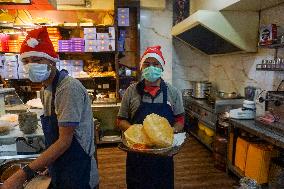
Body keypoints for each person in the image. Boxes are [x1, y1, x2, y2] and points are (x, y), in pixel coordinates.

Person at [1, 27, 99, 189]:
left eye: (38, 60)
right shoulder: (46, 90)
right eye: (26, 61)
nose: (31, 65)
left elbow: (64, 142)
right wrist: (47, 163)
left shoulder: (67, 88)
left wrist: (22, 174)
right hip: (61, 166)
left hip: (78, 170)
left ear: (52, 61)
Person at [116, 45, 185, 189]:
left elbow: (180, 120)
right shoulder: (131, 91)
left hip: (163, 156)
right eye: (147, 64)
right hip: (137, 155)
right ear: (141, 67)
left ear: (161, 67)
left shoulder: (173, 92)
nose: (151, 67)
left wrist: (167, 133)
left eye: (155, 64)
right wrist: (140, 133)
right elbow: (120, 120)